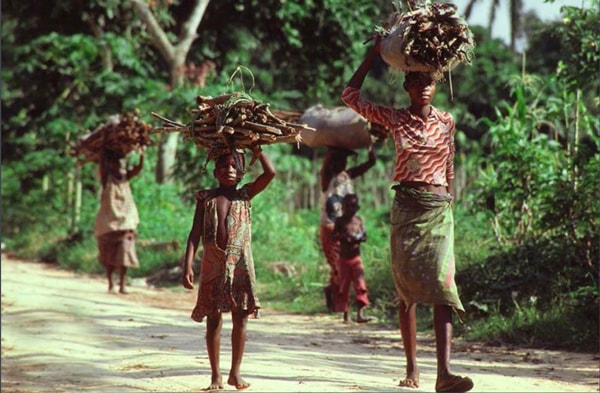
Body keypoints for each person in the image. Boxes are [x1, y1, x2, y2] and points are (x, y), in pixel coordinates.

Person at [341, 37, 474, 393]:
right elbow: (350, 97)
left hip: (438, 211)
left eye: (428, 82)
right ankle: (412, 367)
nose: (423, 88)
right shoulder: (395, 118)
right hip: (406, 209)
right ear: (407, 86)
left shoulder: (447, 122)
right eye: (416, 82)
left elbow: (449, 165)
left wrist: (449, 198)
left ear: (436, 85)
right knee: (408, 291)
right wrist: (371, 56)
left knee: (444, 288)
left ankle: (444, 374)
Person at [182, 145, 276, 391]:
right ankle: (216, 376)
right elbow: (194, 233)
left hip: (241, 264)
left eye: (234, 166)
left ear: (242, 172)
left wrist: (257, 150)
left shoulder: (245, 195)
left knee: (241, 316)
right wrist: (187, 264)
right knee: (213, 319)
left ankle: (235, 373)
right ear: (215, 172)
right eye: (223, 165)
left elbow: (270, 174)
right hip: (213, 263)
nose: (229, 170)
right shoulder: (206, 199)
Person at [320, 145, 376, 312]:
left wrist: (371, 146)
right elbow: (326, 166)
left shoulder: (348, 176)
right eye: (339, 159)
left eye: (345, 159)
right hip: (330, 225)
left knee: (344, 264)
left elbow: (370, 163)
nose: (343, 162)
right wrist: (332, 151)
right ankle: (339, 302)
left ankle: (334, 295)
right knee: (338, 264)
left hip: (347, 225)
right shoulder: (327, 178)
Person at [93, 148, 144, 294]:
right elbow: (102, 164)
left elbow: (139, 168)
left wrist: (141, 153)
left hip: (125, 221)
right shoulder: (106, 178)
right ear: (112, 165)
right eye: (117, 163)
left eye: (122, 163)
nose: (120, 166)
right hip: (108, 222)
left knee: (125, 252)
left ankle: (122, 284)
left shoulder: (126, 176)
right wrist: (104, 146)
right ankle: (110, 282)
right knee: (107, 253)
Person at [331, 193, 372, 323]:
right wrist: (344, 236)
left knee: (360, 285)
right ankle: (346, 315)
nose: (350, 209)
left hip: (356, 258)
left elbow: (364, 236)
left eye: (353, 206)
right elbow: (333, 236)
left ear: (357, 207)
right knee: (344, 286)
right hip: (343, 259)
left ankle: (360, 314)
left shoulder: (359, 220)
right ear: (342, 207)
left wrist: (357, 238)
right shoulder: (339, 221)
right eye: (347, 206)